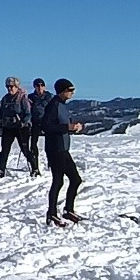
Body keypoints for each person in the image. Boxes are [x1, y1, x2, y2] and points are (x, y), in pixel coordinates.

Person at [42, 78, 84, 227]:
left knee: (75, 179)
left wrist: (74, 128)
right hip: (55, 149)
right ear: (62, 91)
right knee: (59, 181)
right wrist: (68, 128)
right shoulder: (53, 105)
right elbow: (47, 126)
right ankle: (52, 213)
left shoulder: (62, 106)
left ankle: (68, 210)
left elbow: (63, 125)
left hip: (63, 148)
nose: (72, 93)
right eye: (70, 90)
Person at [0, 76, 35, 178]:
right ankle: (1, 170)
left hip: (21, 128)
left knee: (25, 150)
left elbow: (28, 114)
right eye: (7, 86)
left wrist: (23, 122)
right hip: (8, 127)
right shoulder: (5, 99)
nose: (9, 88)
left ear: (17, 86)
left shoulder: (22, 98)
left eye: (11, 86)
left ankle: (35, 168)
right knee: (5, 150)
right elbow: (1, 114)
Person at [25, 78, 53, 177]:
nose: (40, 87)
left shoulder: (49, 97)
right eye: (38, 85)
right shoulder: (30, 97)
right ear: (35, 87)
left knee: (50, 144)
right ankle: (35, 167)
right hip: (35, 123)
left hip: (47, 123)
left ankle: (51, 164)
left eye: (42, 85)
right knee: (33, 145)